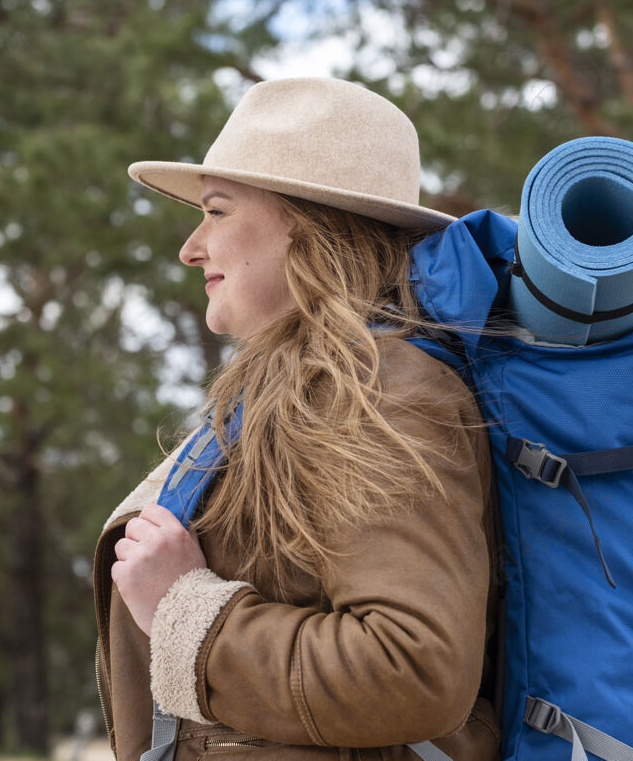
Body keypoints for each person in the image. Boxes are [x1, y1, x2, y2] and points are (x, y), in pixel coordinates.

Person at [92, 77, 499, 760]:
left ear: (309, 226)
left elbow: (414, 668)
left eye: (217, 211)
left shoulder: (380, 389)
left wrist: (185, 613)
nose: (191, 248)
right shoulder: (306, 388)